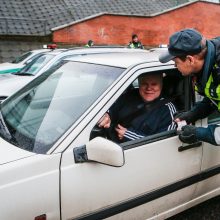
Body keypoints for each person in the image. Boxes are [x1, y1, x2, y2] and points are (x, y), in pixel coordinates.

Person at [159, 28, 220, 145]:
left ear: (190, 60)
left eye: (176, 63)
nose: (175, 66)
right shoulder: (208, 67)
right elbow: (215, 97)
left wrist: (199, 133)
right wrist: (194, 114)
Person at [98, 73, 177, 142]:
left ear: (161, 85)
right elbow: (111, 109)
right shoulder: (128, 96)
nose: (149, 88)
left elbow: (163, 143)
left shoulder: (168, 110)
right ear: (139, 83)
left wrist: (128, 135)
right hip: (109, 144)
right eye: (144, 83)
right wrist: (107, 115)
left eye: (154, 84)